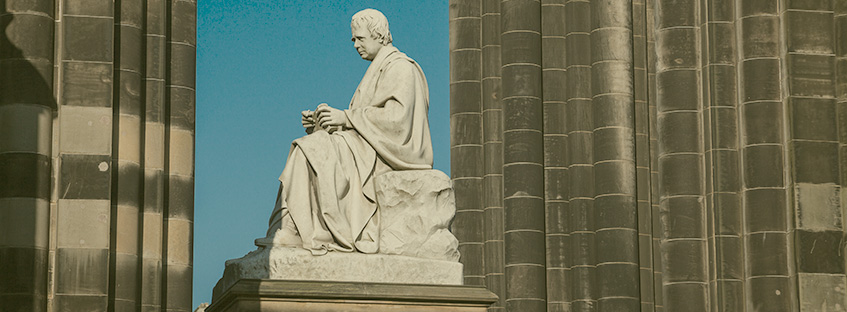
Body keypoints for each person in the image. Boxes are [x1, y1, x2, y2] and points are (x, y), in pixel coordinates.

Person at [258, 9, 433, 256]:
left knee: (310, 149)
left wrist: (346, 117)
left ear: (379, 35)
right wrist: (323, 124)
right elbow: (363, 123)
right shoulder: (378, 69)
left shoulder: (401, 68)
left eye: (360, 38)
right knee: (308, 145)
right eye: (353, 40)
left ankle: (297, 228)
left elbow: (398, 122)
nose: (355, 45)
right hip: (366, 148)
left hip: (389, 155)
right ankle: (290, 225)